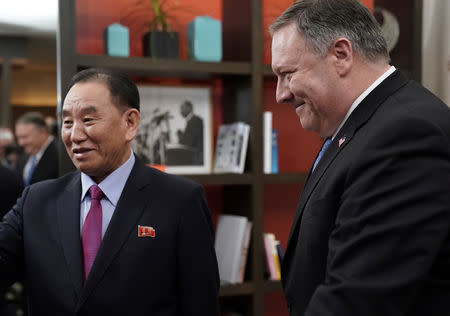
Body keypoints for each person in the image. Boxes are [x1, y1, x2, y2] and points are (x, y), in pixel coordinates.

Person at [270, 1, 450, 315]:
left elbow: (360, 298)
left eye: (287, 74)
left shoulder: (405, 134)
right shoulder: (359, 125)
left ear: (341, 54)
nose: (280, 94)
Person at [0, 68, 220, 315]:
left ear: (130, 123)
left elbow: (201, 304)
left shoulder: (180, 201)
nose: (75, 135)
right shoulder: (36, 201)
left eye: (88, 120)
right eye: (67, 122)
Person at [14, 112, 59, 186]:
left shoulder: (60, 156)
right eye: (18, 138)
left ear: (42, 132)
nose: (20, 143)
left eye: (24, 137)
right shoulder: (23, 156)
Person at [176, 100, 204, 165]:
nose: (180, 111)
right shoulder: (192, 120)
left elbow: (188, 142)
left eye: (182, 108)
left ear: (189, 108)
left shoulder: (195, 120)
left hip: (196, 157)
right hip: (195, 156)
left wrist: (180, 135)